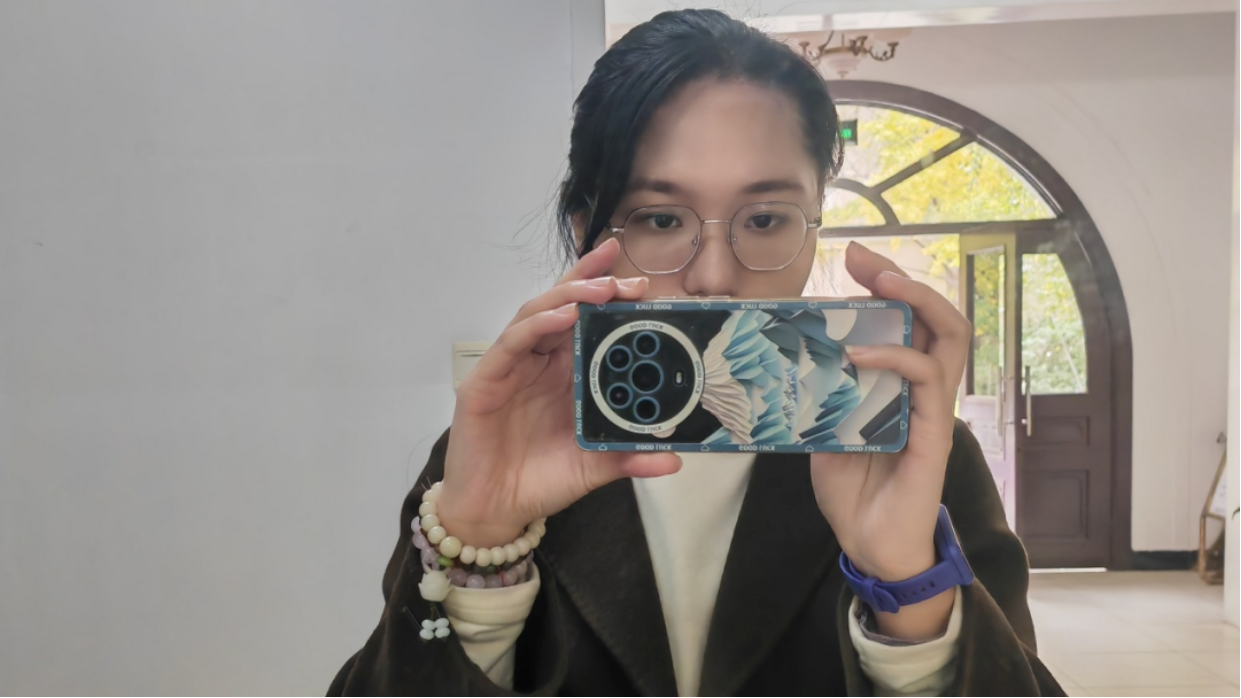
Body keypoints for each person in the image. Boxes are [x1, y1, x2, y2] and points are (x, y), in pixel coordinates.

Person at [328, 9, 1065, 697]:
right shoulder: (504, 448)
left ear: (815, 223)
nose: (714, 274)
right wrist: (479, 558)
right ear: (588, 230)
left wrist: (908, 589)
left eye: (766, 218)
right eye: (659, 218)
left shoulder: (906, 452)